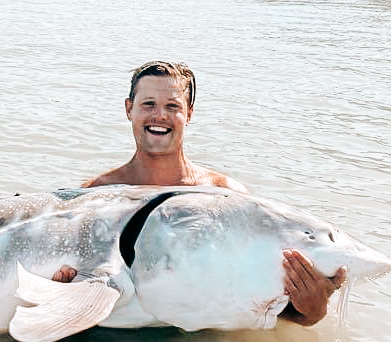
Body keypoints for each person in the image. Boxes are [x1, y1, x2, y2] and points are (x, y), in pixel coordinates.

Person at [69, 60, 345, 327]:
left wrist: (311, 313)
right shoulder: (98, 192)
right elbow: (77, 287)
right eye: (148, 104)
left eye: (172, 106)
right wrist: (60, 286)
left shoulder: (227, 196)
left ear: (189, 114)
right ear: (129, 109)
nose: (160, 115)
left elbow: (255, 303)